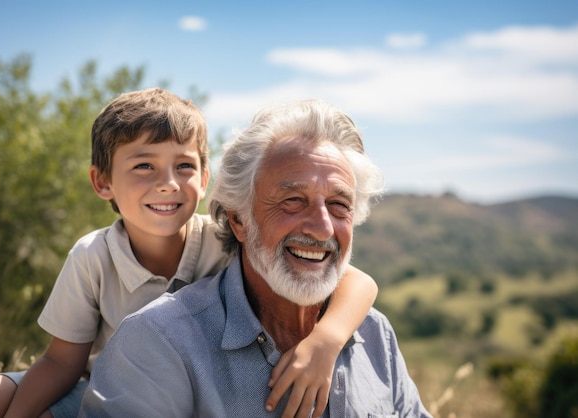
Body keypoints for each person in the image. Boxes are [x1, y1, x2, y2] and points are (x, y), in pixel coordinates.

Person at [0, 90, 378, 418]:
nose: (167, 183)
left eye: (183, 166)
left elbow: (352, 279)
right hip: (99, 384)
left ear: (205, 179)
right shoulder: (92, 256)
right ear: (102, 181)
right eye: (144, 166)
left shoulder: (226, 238)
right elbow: (61, 363)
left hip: (184, 384)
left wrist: (326, 340)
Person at [79, 99, 432, 417]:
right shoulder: (158, 343)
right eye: (293, 200)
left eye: (339, 205)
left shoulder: (375, 333)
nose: (323, 229)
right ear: (239, 220)